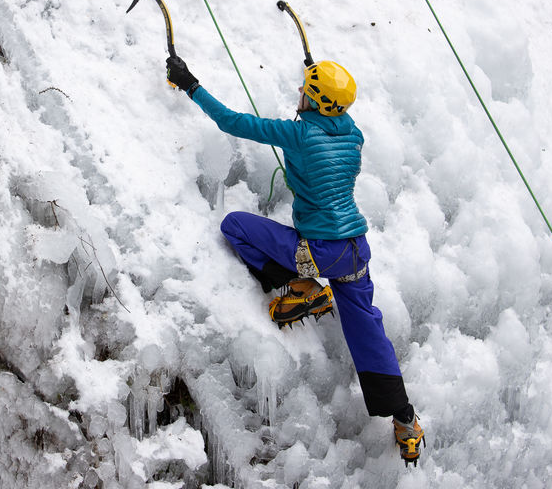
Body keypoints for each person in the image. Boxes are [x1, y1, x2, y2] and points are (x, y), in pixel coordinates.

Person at [165, 54, 426, 466]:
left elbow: (233, 122)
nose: (298, 94)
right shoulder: (353, 135)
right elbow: (328, 122)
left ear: (317, 100)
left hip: (320, 252)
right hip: (356, 250)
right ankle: (406, 420)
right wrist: (316, 81)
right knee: (367, 334)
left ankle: (302, 288)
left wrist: (190, 84)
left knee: (236, 226)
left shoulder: (299, 135)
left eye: (305, 90)